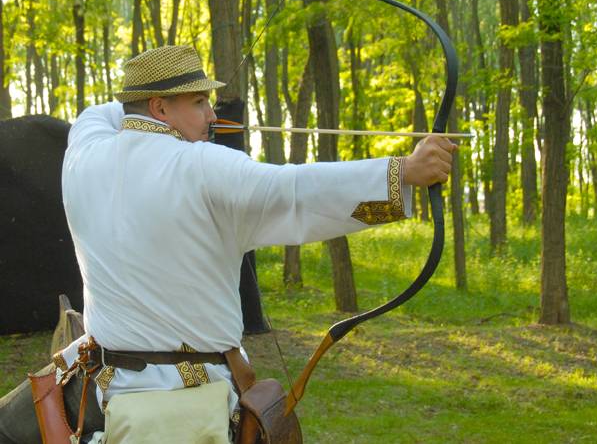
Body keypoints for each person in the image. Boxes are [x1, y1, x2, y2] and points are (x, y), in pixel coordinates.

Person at [0, 45, 456, 443]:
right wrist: (404, 173)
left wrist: (142, 112)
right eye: (199, 102)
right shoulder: (204, 167)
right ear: (160, 107)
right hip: (186, 405)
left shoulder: (83, 153)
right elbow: (296, 194)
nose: (213, 117)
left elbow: (99, 113)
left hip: (107, 392)